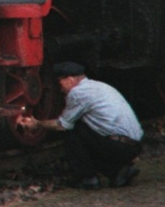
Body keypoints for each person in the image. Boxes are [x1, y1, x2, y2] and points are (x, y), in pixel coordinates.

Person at [16, 61, 143, 189]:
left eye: (59, 82)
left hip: (120, 147)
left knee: (71, 131)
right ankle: (118, 172)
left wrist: (37, 124)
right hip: (134, 144)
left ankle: (87, 178)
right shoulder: (99, 86)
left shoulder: (78, 93)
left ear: (70, 79)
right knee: (83, 129)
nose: (59, 87)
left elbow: (62, 125)